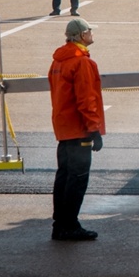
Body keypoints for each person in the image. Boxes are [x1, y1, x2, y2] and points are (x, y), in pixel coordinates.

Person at [48, 17, 105, 242]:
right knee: (78, 179)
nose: (91, 34)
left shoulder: (58, 60)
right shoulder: (82, 63)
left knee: (64, 176)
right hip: (79, 128)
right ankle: (69, 225)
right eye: (89, 31)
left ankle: (60, 223)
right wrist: (94, 129)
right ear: (81, 35)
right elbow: (86, 99)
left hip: (63, 127)